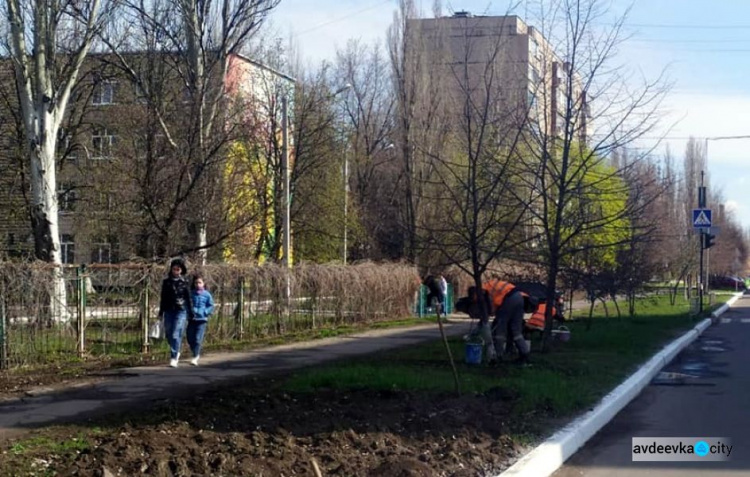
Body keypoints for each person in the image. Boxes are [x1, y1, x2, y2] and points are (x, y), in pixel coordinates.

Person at [462, 279, 530, 364]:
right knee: (516, 330)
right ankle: (524, 354)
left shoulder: (481, 293)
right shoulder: (487, 287)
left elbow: (487, 313)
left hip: (508, 300)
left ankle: (498, 356)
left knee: (500, 330)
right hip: (519, 297)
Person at [158, 258, 193, 368]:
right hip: (169, 310)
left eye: (178, 269)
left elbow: (188, 298)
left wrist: (191, 312)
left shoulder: (185, 282)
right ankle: (176, 349)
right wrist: (161, 312)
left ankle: (174, 357)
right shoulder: (166, 282)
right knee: (169, 333)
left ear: (181, 270)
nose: (176, 271)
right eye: (174, 269)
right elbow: (163, 298)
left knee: (176, 333)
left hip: (181, 310)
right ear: (171, 270)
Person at [188, 273, 214, 366]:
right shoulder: (191, 294)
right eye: (196, 283)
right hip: (192, 319)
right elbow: (188, 304)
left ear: (203, 284)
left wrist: (205, 312)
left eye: (199, 283)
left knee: (198, 339)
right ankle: (194, 350)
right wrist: (190, 312)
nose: (198, 284)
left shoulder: (207, 295)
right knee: (190, 338)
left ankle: (195, 356)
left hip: (202, 320)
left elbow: (211, 305)